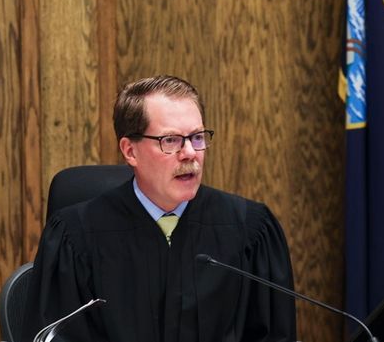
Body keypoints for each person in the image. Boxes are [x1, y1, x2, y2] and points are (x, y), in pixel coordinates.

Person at [21, 75, 296, 342]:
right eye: (171, 140)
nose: (190, 152)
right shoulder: (76, 237)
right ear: (130, 151)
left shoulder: (250, 230)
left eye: (197, 137)